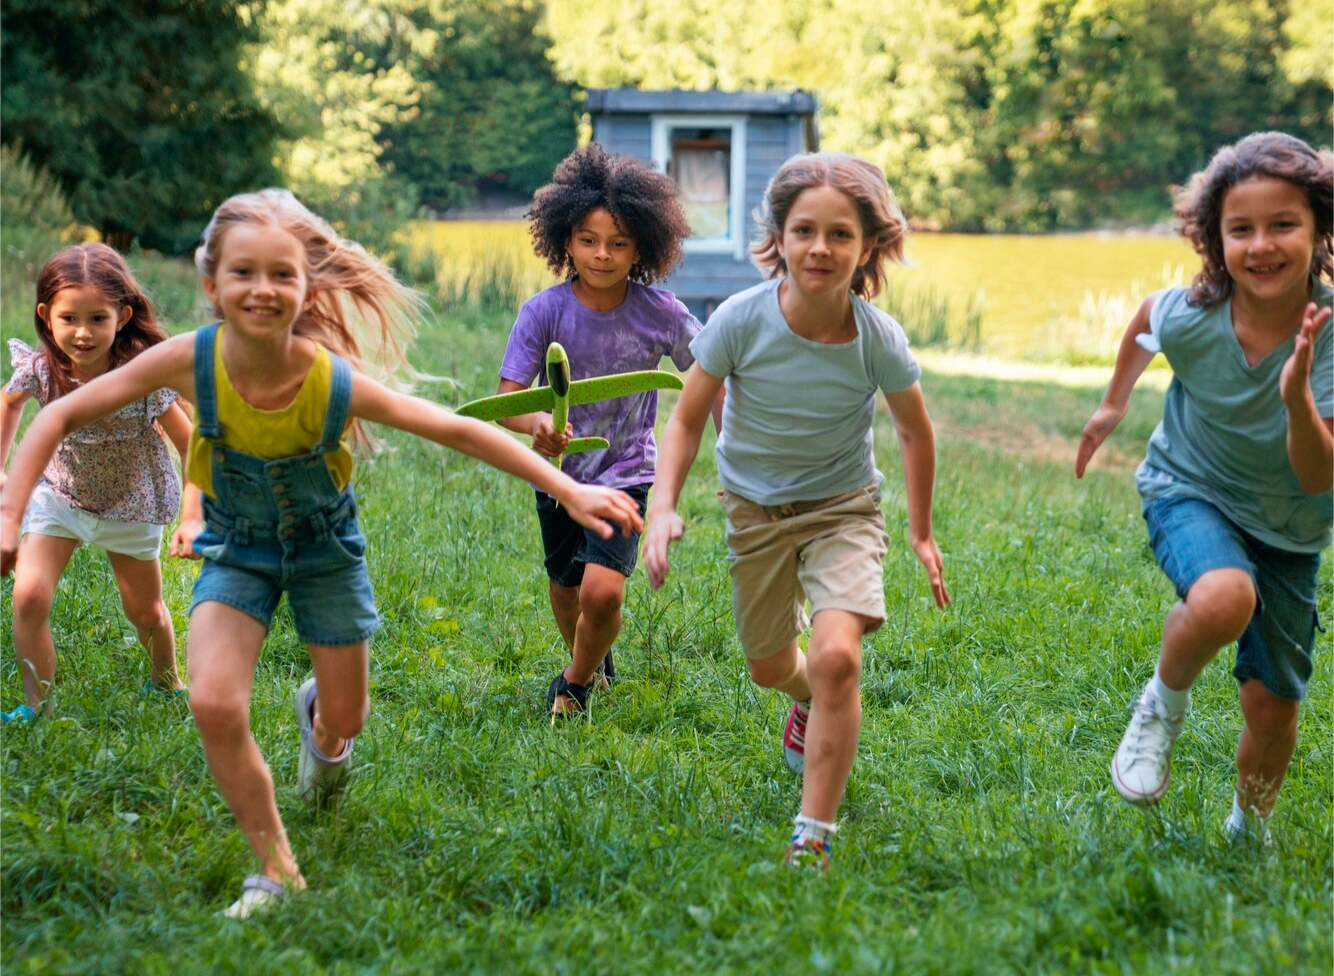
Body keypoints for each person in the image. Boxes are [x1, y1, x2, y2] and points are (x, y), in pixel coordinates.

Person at [0, 189, 644, 917]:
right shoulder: (188, 359)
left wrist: (572, 489)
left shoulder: (325, 376)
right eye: (244, 273)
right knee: (213, 702)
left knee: (348, 717)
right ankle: (276, 869)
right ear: (211, 284)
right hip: (238, 550)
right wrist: (9, 513)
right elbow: (58, 414)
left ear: (304, 288)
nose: (262, 289)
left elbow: (455, 430)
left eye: (282, 274)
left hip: (323, 553)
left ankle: (322, 725)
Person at [642, 153, 950, 872]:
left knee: (839, 656)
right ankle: (805, 696)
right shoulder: (740, 322)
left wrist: (922, 531)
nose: (820, 248)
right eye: (804, 230)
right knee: (771, 664)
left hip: (845, 510)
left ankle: (813, 833)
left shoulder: (878, 338)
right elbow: (685, 420)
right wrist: (662, 507)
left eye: (840, 234)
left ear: (868, 245)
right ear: (777, 238)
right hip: (755, 514)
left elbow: (914, 430)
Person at [1076, 132, 1334, 844]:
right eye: (1240, 229)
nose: (1263, 245)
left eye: (1284, 224)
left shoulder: (1331, 333)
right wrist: (1113, 403)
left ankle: (1248, 831)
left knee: (1274, 705)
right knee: (1224, 595)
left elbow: (1320, 475)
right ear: (1215, 240)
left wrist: (1296, 400)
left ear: (1318, 230)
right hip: (1189, 487)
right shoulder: (1195, 311)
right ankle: (1162, 702)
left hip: (1292, 524)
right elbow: (1143, 323)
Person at [491, 143, 708, 718]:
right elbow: (507, 403)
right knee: (566, 590)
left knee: (602, 590)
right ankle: (589, 660)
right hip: (558, 475)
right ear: (564, 239)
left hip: (627, 473)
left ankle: (575, 686)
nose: (602, 255)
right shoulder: (543, 312)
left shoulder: (661, 313)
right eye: (588, 240)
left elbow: (709, 374)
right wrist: (536, 423)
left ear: (642, 246)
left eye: (618, 243)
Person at [0, 243, 191, 724]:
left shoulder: (142, 374)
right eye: (68, 318)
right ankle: (36, 705)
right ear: (46, 315)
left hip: (131, 503)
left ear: (123, 315)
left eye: (97, 319)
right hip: (60, 495)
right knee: (29, 594)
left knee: (145, 611)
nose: (82, 333)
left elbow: (190, 442)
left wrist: (198, 506)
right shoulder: (44, 368)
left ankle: (167, 683)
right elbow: (9, 404)